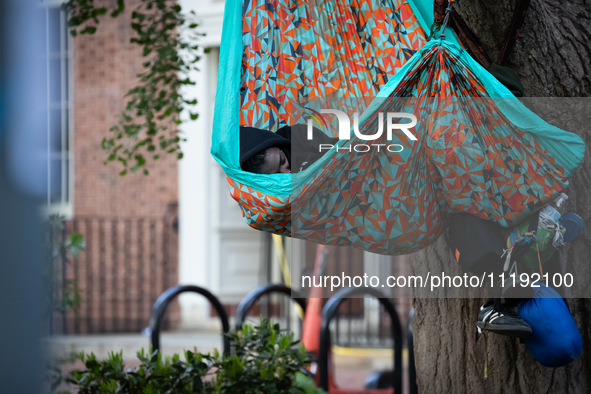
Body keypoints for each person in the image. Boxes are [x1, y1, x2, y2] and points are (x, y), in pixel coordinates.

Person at [239, 124, 338, 174]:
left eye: (282, 161)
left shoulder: (298, 134)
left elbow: (335, 150)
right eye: (277, 174)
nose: (287, 172)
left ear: (278, 144)